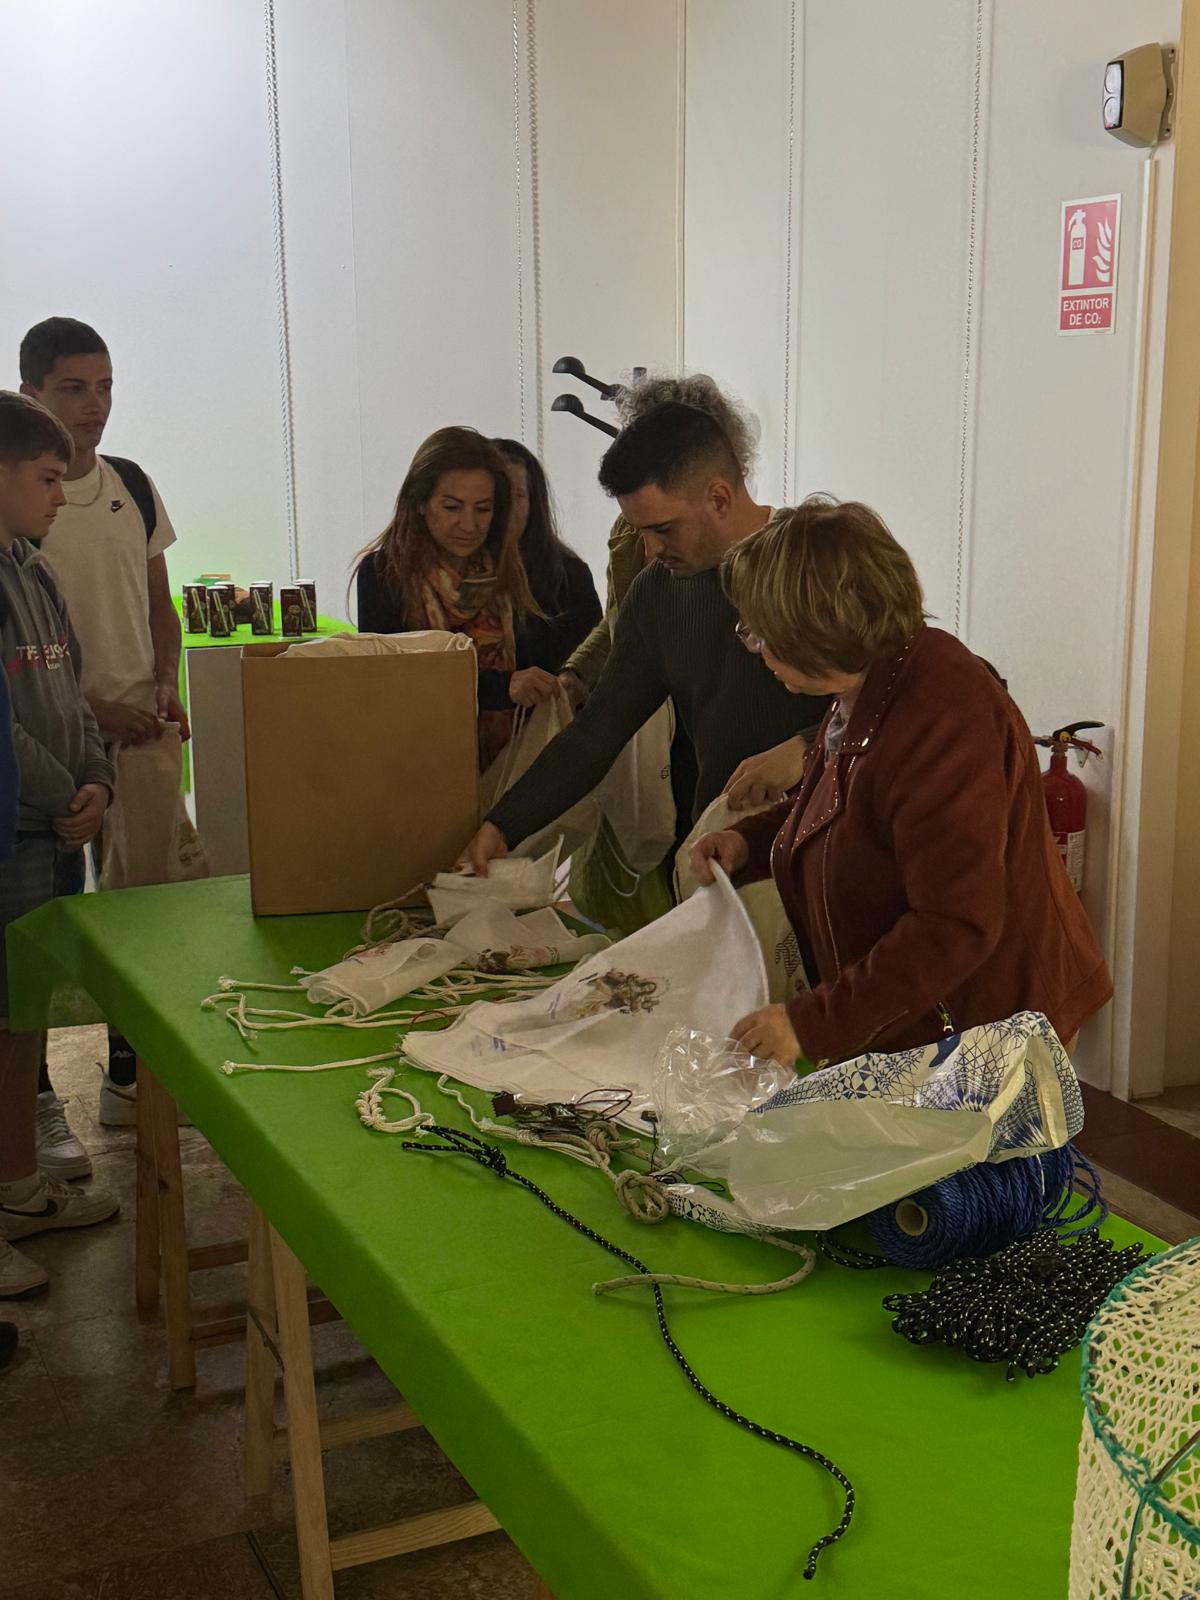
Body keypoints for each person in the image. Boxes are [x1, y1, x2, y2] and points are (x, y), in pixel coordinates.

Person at [690, 496, 1113, 1066]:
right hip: (930, 1017)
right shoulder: (868, 682)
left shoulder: (945, 714)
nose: (756, 649)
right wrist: (750, 842)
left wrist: (813, 1023)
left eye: (761, 633)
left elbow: (954, 923)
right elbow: (848, 809)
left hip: (989, 1027)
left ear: (817, 629)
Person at [461, 400, 829, 876]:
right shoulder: (657, 593)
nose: (651, 550)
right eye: (640, 533)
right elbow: (599, 729)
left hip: (827, 848)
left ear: (719, 498)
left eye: (664, 530)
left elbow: (899, 690)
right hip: (720, 851)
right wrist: (502, 826)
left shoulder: (821, 559)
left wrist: (806, 748)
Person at [19, 317, 189, 1157]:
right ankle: (37, 1101)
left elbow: (160, 601)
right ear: (32, 394)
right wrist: (92, 714)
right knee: (42, 931)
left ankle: (132, 1075)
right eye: (74, 388)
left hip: (138, 737)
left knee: (145, 911)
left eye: (106, 386)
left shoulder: (133, 484)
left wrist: (164, 685)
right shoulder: (22, 506)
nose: (95, 405)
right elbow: (30, 649)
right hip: (49, 747)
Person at [0, 392, 119, 1300]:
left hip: (54, 829)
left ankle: (18, 1189)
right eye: (45, 478)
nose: (58, 496)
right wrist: (59, 794)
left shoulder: (33, 572)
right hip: (16, 830)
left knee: (22, 1018)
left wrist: (97, 784)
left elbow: (69, 693)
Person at [354, 426, 546, 765]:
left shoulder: (507, 568)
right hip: (413, 761)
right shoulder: (384, 572)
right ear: (420, 503)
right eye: (452, 507)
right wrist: (502, 688)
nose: (469, 525)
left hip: (504, 763)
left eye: (482, 509)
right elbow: (393, 682)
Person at [492, 439, 601, 678]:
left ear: (534, 503)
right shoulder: (453, 575)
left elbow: (593, 665)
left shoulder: (569, 577)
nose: (505, 507)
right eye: (496, 495)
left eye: (517, 495)